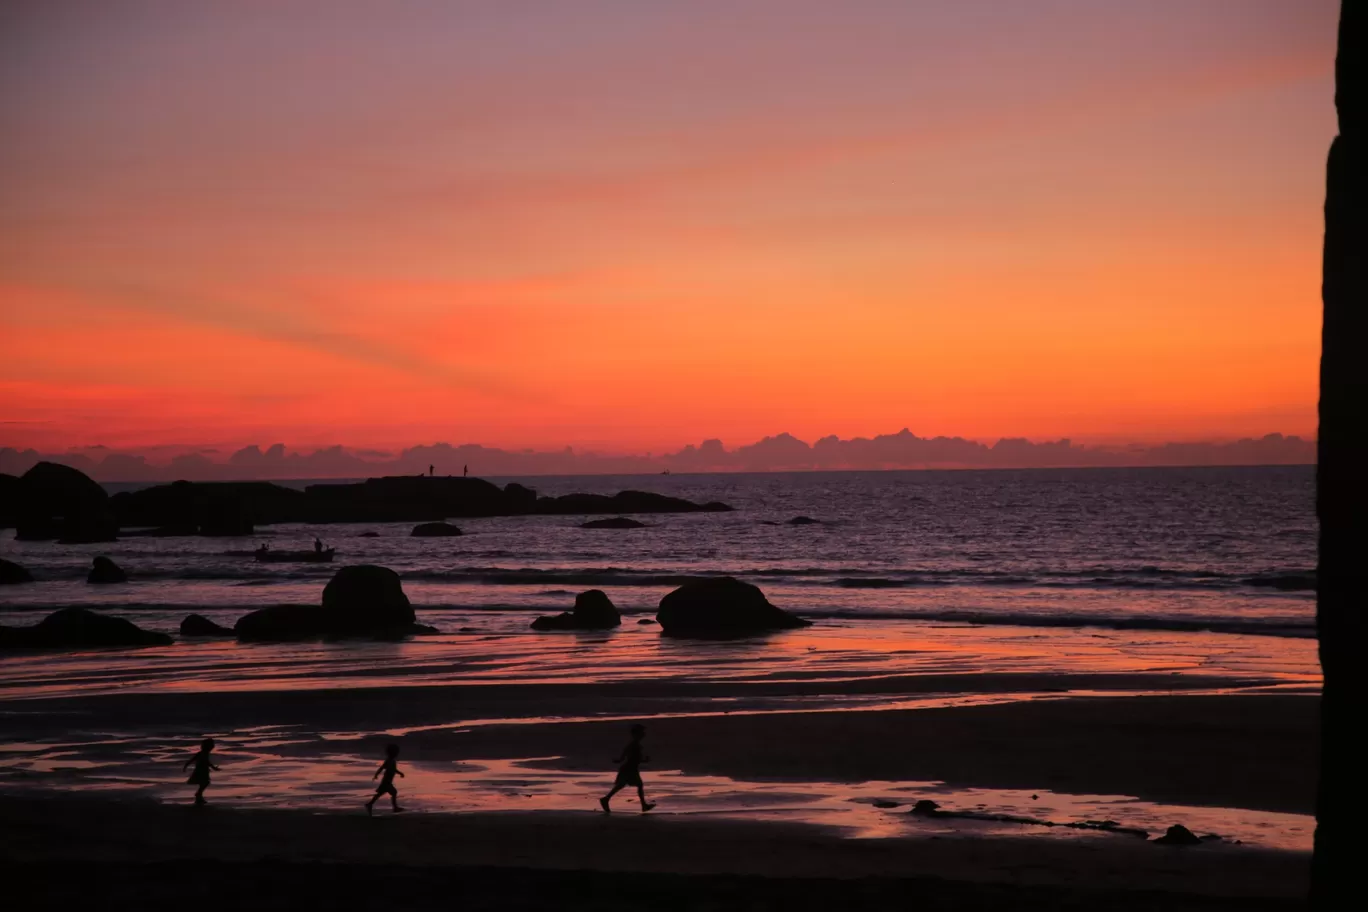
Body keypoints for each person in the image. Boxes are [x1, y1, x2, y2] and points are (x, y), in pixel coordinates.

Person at [600, 723, 655, 813]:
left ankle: (606, 799)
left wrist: (619, 760)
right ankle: (643, 805)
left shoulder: (633, 745)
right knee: (638, 785)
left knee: (621, 785)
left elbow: (626, 757)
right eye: (641, 733)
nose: (643, 734)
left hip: (629, 768)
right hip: (630, 769)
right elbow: (632, 758)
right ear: (636, 734)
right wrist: (644, 760)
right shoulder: (634, 745)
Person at [366, 743, 405, 815]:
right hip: (387, 781)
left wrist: (400, 773)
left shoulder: (391, 760)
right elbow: (384, 768)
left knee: (380, 793)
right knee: (394, 792)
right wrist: (376, 774)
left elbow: (390, 769)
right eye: (396, 752)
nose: (397, 753)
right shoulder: (390, 760)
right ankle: (395, 808)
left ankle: (370, 804)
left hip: (387, 780)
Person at [182, 737, 219, 806]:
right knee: (205, 782)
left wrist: (186, 766)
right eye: (211, 746)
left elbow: (192, 759)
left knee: (203, 782)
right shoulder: (204, 753)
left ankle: (199, 797)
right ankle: (199, 794)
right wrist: (213, 768)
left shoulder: (202, 752)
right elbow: (206, 762)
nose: (212, 747)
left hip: (201, 769)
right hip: (201, 770)